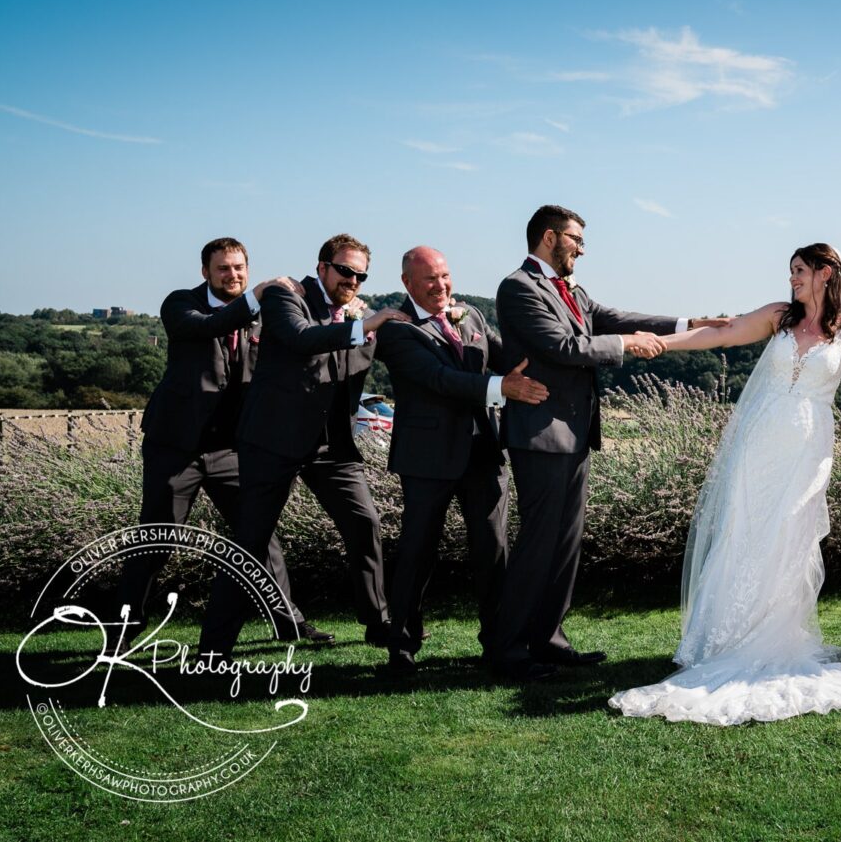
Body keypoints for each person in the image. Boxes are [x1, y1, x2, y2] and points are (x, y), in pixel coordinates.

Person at [608, 244, 841, 725]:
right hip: (759, 441)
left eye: (800, 272)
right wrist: (663, 342)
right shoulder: (779, 316)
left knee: (788, 532)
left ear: (825, 274)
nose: (792, 281)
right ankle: (722, 639)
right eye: (791, 273)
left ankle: (771, 635)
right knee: (745, 529)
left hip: (806, 447)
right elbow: (720, 336)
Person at [490, 205, 718, 682]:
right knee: (537, 545)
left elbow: (612, 316)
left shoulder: (573, 290)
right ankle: (506, 649)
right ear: (550, 237)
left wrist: (685, 323)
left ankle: (549, 641)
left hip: (575, 434)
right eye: (576, 239)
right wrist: (626, 346)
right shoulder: (517, 287)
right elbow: (561, 346)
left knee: (564, 546)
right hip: (540, 433)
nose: (582, 249)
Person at [199, 233, 410, 657]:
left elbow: (407, 353)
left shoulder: (361, 315)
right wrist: (361, 325)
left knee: (364, 523)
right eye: (345, 270)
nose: (352, 280)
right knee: (251, 540)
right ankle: (213, 648)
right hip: (272, 442)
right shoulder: (285, 296)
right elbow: (300, 339)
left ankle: (377, 622)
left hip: (332, 448)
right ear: (322, 267)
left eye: (360, 275)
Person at [117, 238, 329, 641]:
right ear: (205, 272)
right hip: (176, 447)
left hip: (232, 447)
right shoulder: (181, 304)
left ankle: (290, 624)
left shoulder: (266, 315)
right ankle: (123, 629)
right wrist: (257, 296)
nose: (233, 275)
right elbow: (210, 326)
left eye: (239, 268)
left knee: (260, 536)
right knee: (157, 540)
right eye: (223, 269)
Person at [374, 246, 549, 676]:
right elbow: (440, 380)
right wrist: (500, 388)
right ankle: (401, 645)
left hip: (483, 453)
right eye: (430, 279)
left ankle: (501, 645)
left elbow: (505, 356)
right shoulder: (397, 330)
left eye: (445, 276)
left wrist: (553, 359)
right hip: (426, 460)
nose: (441, 286)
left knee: (493, 551)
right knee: (417, 553)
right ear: (407, 284)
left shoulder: (469, 314)